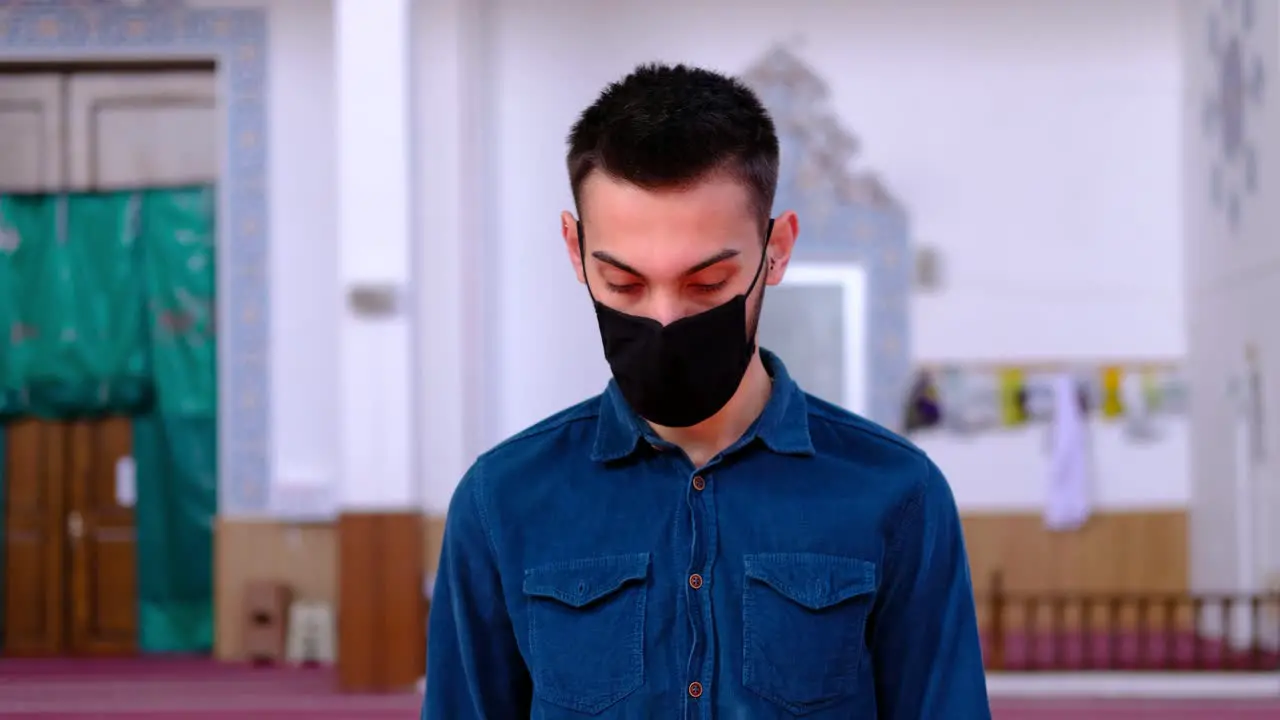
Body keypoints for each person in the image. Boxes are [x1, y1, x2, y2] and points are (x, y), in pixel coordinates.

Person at [423, 62, 991, 719]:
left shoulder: (898, 495)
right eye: (625, 286)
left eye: (707, 285)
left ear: (776, 251)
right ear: (575, 251)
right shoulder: (501, 502)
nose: (665, 321)